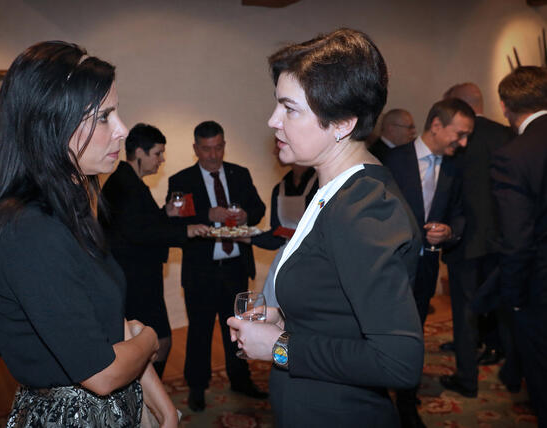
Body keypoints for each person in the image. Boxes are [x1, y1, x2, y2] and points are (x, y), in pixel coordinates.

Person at [0, 41, 178, 427]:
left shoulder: (73, 209)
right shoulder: (28, 230)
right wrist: (148, 338)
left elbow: (106, 324)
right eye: (104, 117)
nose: (123, 130)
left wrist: (164, 409)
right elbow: (102, 373)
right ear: (51, 126)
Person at [227, 28, 424, 427]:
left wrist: (280, 347)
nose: (272, 120)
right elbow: (341, 314)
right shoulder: (334, 189)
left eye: (289, 108)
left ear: (342, 123)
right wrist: (286, 320)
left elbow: (399, 362)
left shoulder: (365, 207)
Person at [381, 98, 471, 427]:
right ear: (436, 125)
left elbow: (460, 214)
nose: (463, 143)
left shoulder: (453, 166)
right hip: (389, 270)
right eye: (459, 134)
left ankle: (406, 400)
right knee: (382, 334)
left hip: (426, 268)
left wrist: (449, 231)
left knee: (415, 336)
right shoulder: (392, 160)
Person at [166, 120, 267, 412]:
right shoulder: (182, 180)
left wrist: (247, 213)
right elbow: (174, 221)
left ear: (224, 145)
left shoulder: (240, 174)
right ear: (196, 148)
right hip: (201, 271)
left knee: (238, 332)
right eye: (207, 149)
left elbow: (258, 209)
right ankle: (197, 387)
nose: (213, 155)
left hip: (235, 266)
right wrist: (207, 213)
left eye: (218, 147)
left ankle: (241, 380)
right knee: (198, 331)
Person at [101, 123, 208, 378]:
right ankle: (145, 400)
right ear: (139, 152)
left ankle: (146, 400)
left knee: (151, 342)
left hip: (138, 277)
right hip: (134, 280)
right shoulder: (125, 185)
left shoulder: (129, 182)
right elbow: (137, 233)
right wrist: (187, 231)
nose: (161, 160)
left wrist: (166, 213)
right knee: (157, 342)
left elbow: (140, 226)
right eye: (157, 153)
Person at [438, 83, 520, 398]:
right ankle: (514, 377)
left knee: (465, 314)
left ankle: (467, 380)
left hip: (466, 242)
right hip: (503, 241)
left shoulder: (456, 138)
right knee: (506, 312)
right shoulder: (507, 135)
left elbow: (448, 190)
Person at [491, 65, 547, 426]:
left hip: (539, 289)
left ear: (506, 107)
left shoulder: (514, 155)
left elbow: (516, 240)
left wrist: (511, 297)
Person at [251, 145, 318, 307]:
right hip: (285, 257)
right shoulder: (280, 188)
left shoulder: (321, 184)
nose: (274, 151)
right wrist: (248, 238)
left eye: (278, 145)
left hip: (313, 261)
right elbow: (276, 238)